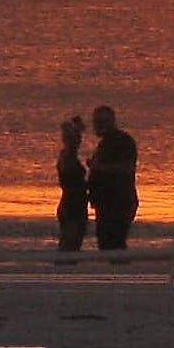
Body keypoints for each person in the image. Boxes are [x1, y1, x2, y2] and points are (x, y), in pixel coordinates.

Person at [86, 104, 138, 250]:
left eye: (103, 122)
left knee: (113, 243)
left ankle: (122, 272)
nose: (98, 126)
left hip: (119, 202)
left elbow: (126, 168)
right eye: (96, 122)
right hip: (106, 203)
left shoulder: (122, 141)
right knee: (106, 243)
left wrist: (99, 168)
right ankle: (118, 271)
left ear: (112, 121)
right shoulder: (105, 143)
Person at [53, 115, 91, 251]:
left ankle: (65, 268)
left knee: (73, 243)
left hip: (75, 204)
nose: (78, 141)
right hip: (72, 205)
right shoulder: (67, 157)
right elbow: (72, 183)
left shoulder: (69, 156)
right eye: (73, 138)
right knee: (70, 244)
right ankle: (63, 269)